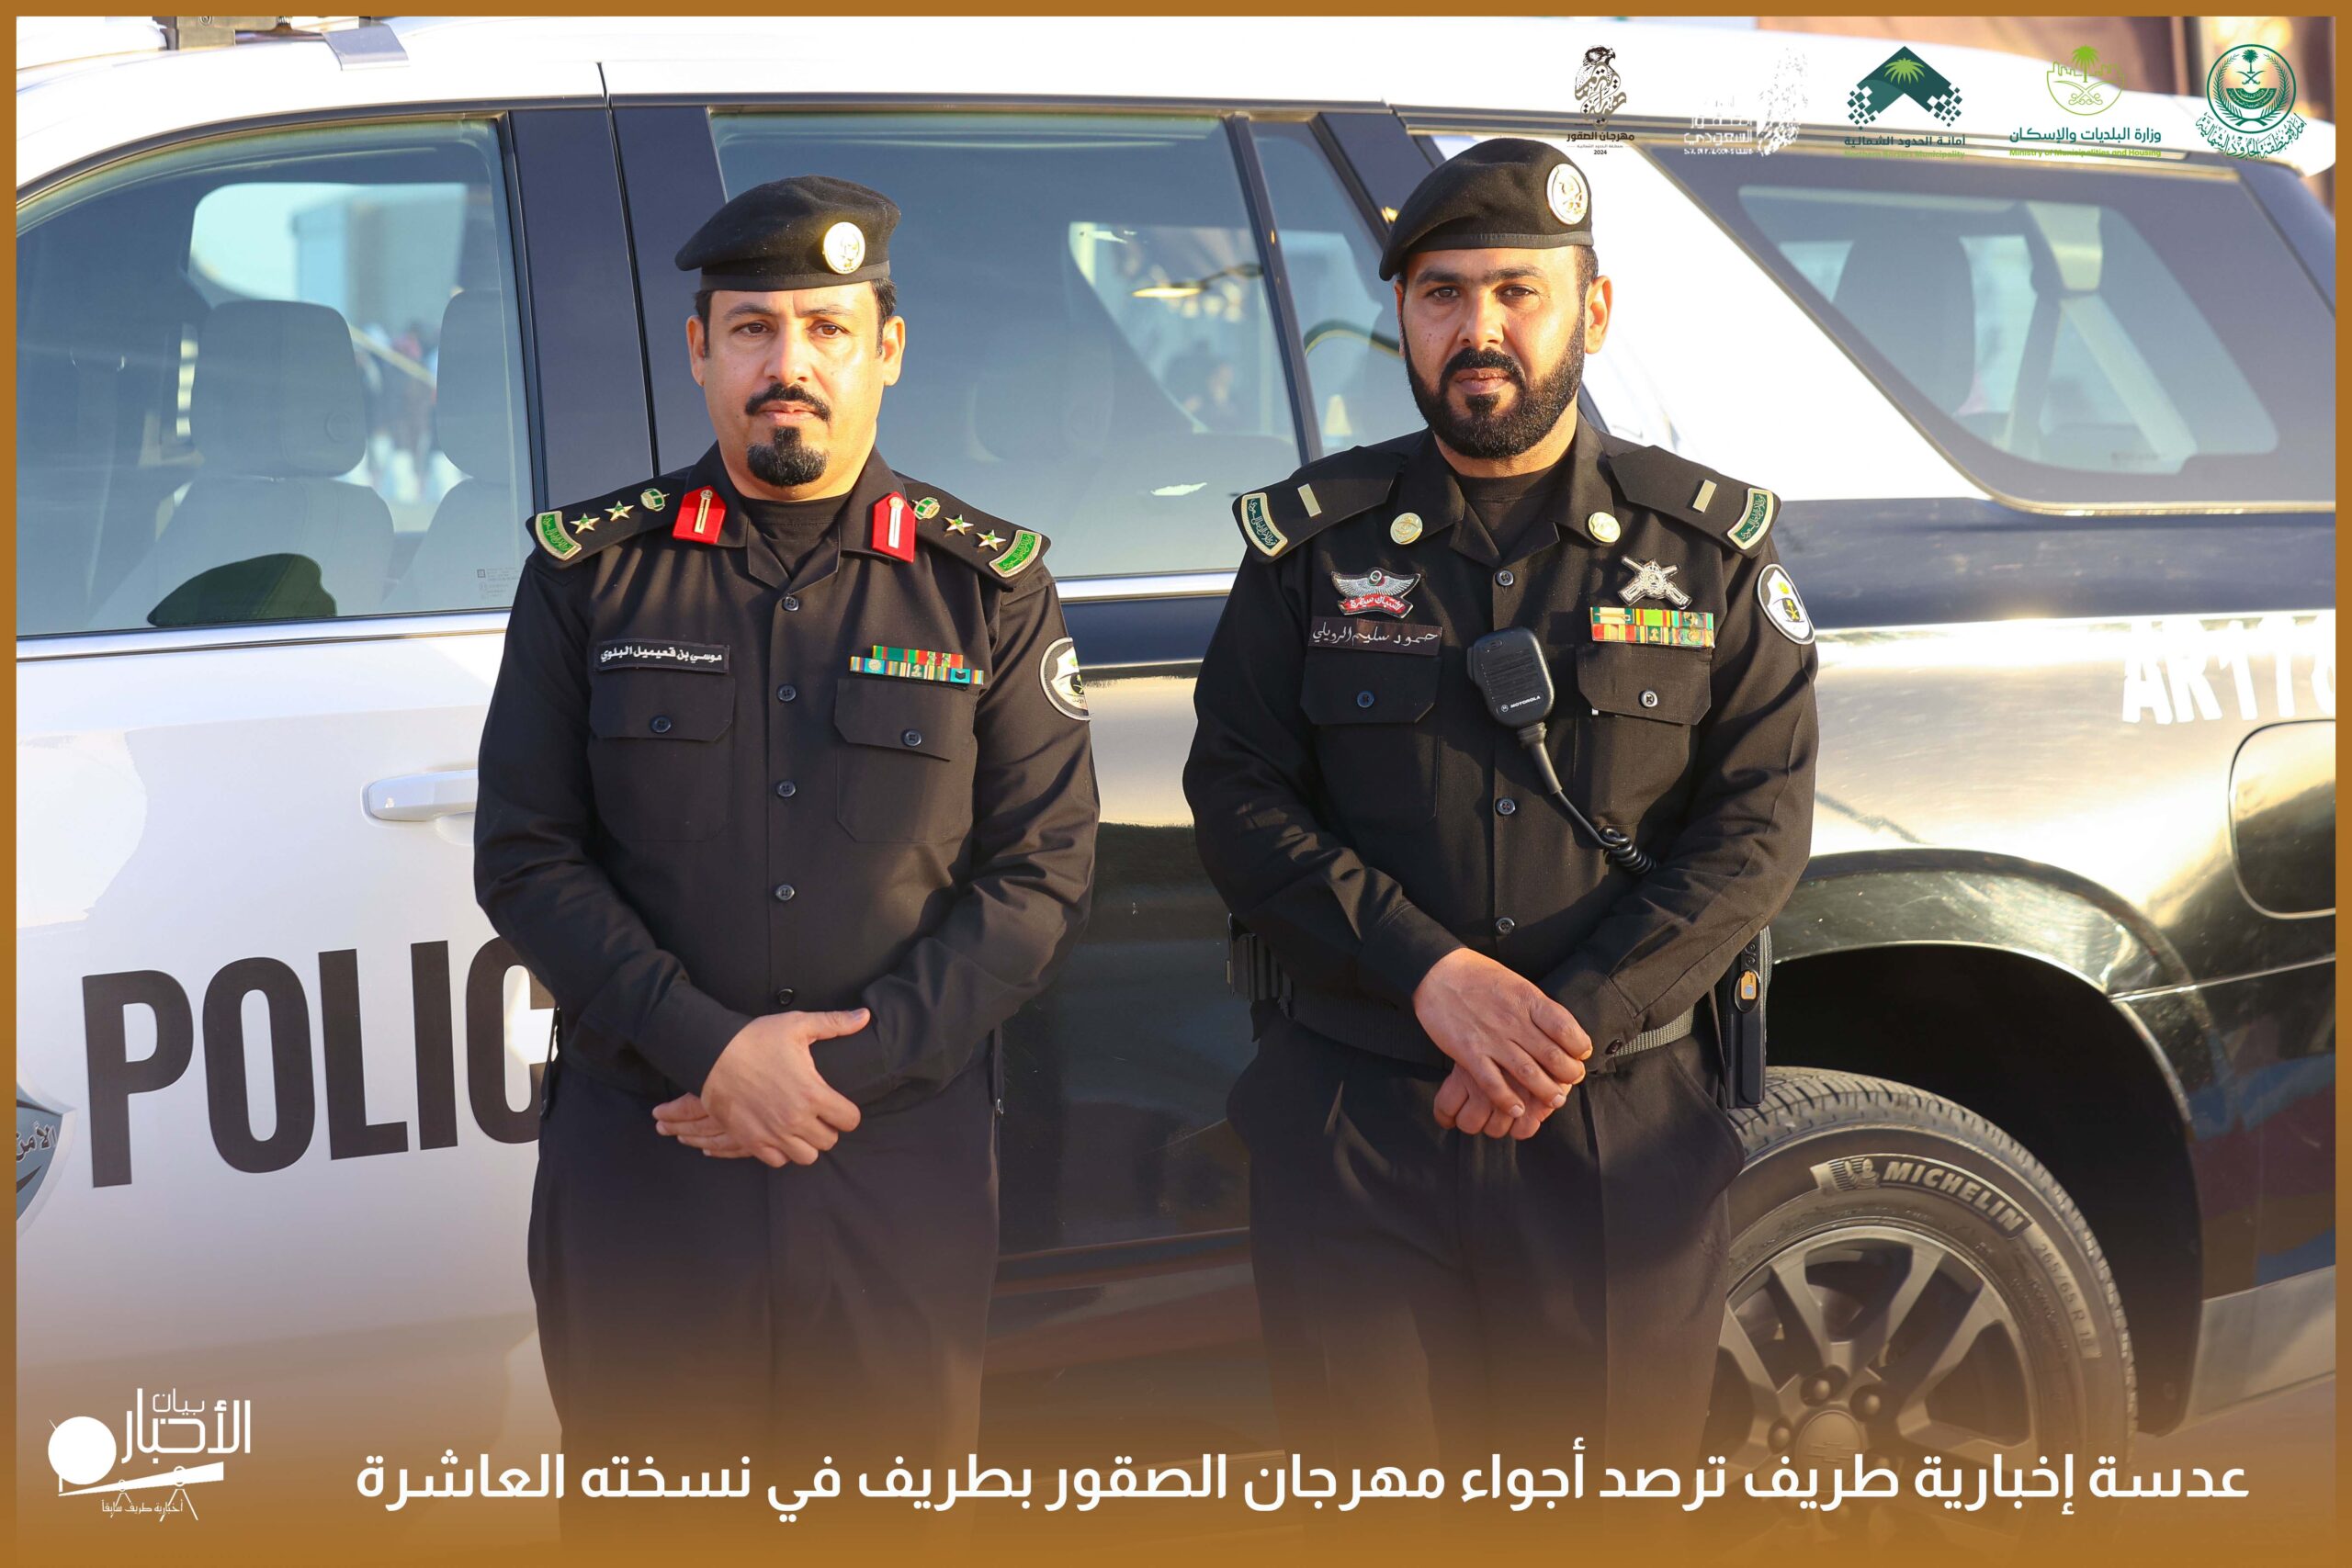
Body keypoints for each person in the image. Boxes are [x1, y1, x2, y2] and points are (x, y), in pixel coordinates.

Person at [1182, 138, 1819, 1482]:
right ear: (1402, 319)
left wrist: (1567, 1023)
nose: (1480, 330)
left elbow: (1758, 827)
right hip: (1358, 1130)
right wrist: (1433, 976)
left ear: (1593, 310)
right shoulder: (1312, 547)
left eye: (1518, 292)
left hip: (1615, 1134)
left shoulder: (1706, 548)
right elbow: (1236, 794)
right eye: (1442, 294)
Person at [472, 174, 1099, 1529]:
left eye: (827, 328)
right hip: (652, 1154)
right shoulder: (590, 576)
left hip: (891, 1161)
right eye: (753, 329)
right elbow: (526, 856)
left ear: (888, 348)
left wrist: (824, 1078)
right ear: (700, 351)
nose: (788, 366)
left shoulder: (987, 586)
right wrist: (711, 1052)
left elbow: (1039, 876)